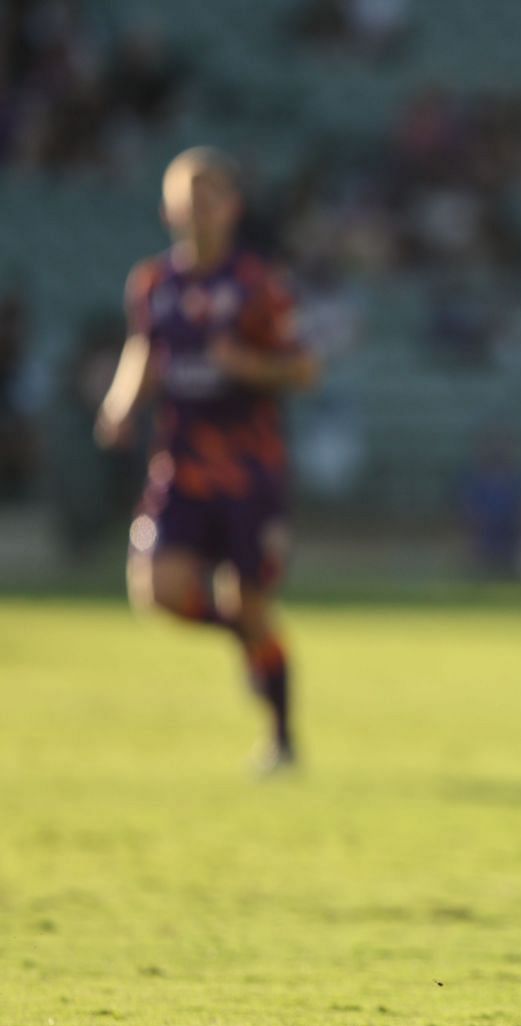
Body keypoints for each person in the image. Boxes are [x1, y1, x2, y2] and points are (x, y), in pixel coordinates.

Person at [95, 147, 321, 773]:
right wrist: (121, 405)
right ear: (167, 209)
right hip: (183, 467)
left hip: (251, 473)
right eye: (183, 198)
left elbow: (304, 367)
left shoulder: (258, 286)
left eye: (206, 196)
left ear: (231, 208)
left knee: (251, 601)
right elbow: (144, 350)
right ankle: (250, 644)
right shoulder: (153, 284)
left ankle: (282, 738)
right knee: (158, 589)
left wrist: (251, 367)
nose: (194, 209)